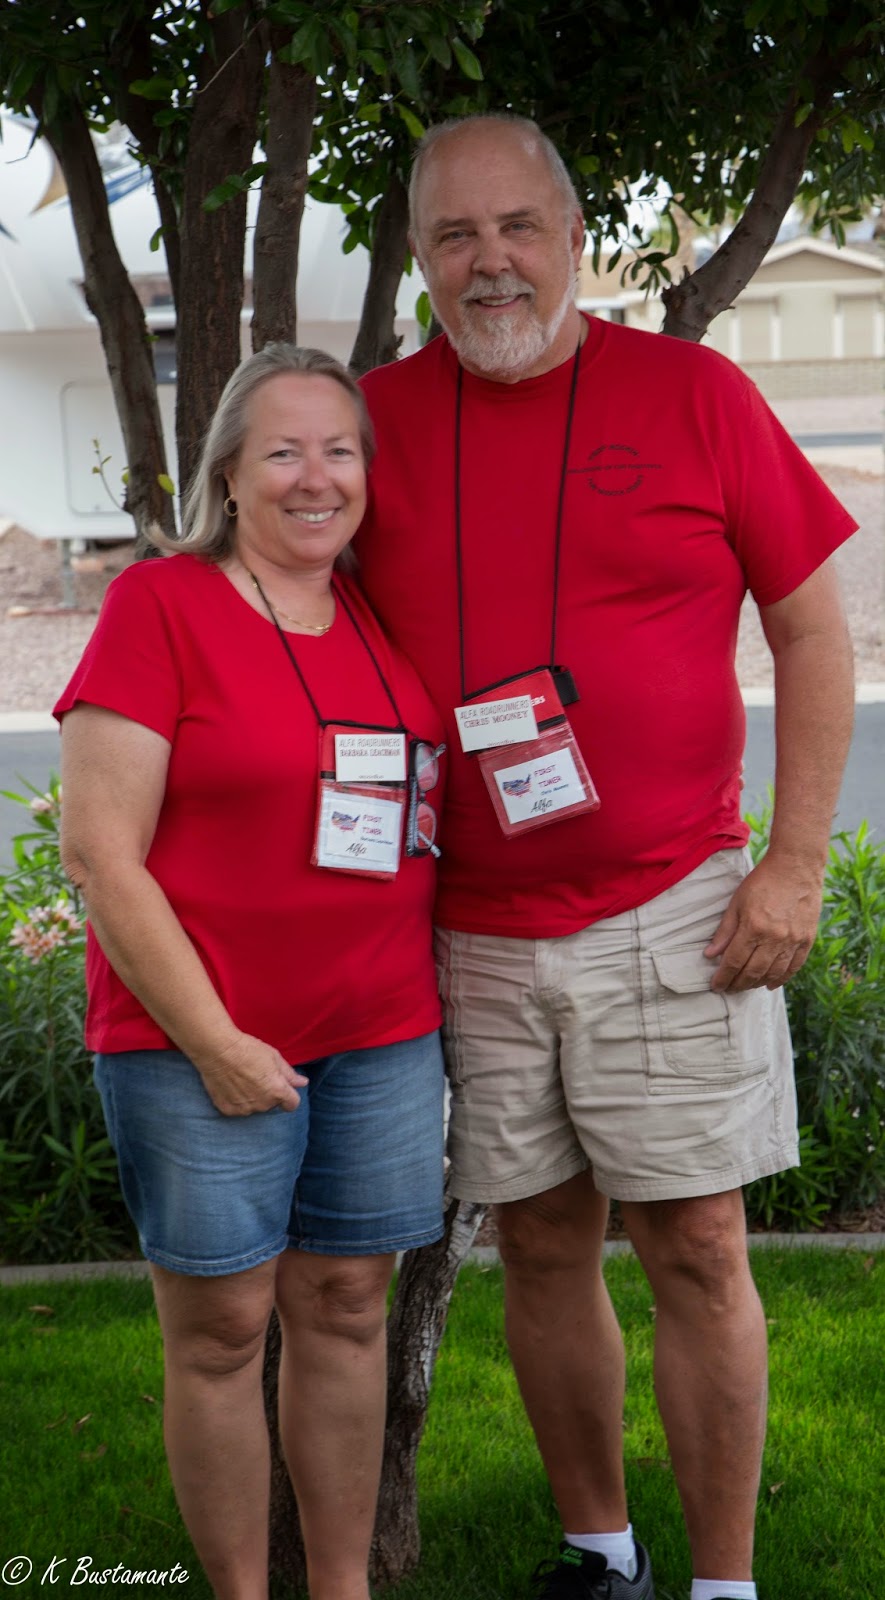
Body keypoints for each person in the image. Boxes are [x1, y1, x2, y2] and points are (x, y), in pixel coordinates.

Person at [355, 115, 857, 1600]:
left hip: (674, 909)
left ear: (575, 239)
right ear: (419, 256)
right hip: (468, 925)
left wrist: (795, 863)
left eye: (518, 226)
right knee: (540, 1243)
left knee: (697, 1246)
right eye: (454, 234)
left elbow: (813, 629)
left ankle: (724, 1583)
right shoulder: (367, 424)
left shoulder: (695, 394)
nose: (490, 261)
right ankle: (601, 1551)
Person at [55, 344, 447, 1600]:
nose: (315, 477)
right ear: (227, 471)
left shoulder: (377, 615)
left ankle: (341, 1587)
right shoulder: (161, 605)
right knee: (223, 1332)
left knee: (347, 1307)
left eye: (339, 450)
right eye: (283, 451)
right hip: (196, 1042)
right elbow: (99, 854)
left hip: (380, 1033)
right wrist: (217, 1042)